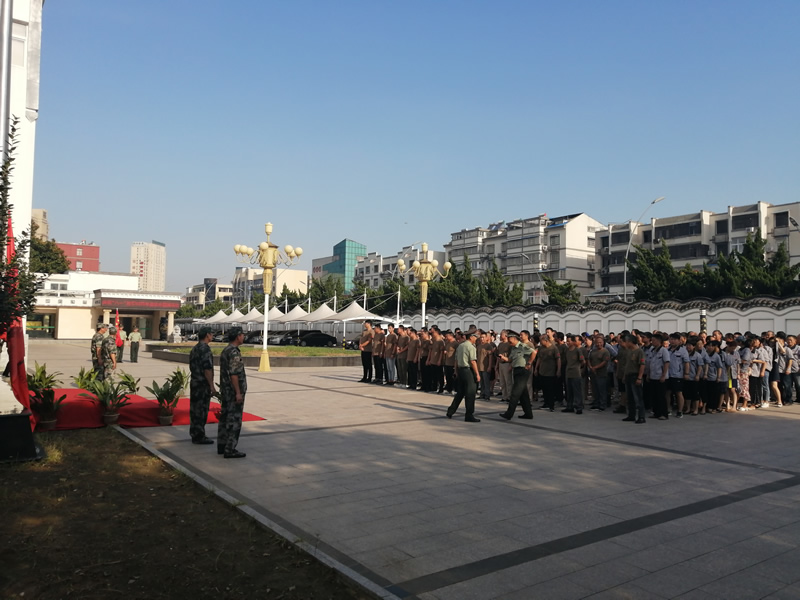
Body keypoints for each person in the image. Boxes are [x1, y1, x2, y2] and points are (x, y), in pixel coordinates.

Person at [218, 327, 247, 459]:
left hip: (226, 390)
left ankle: (222, 445)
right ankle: (230, 449)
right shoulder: (234, 352)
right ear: (237, 336)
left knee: (225, 417)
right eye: (242, 335)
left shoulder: (226, 350)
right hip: (233, 392)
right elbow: (234, 374)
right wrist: (238, 392)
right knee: (234, 419)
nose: (243, 337)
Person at [189, 327, 217, 445]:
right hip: (202, 385)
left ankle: (195, 433)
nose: (212, 336)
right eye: (211, 334)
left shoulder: (195, 348)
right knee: (201, 410)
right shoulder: (205, 349)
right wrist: (211, 386)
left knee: (195, 409)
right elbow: (207, 369)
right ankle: (199, 435)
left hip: (195, 382)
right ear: (207, 335)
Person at [498, 331, 534, 420]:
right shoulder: (513, 348)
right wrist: (503, 358)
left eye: (509, 339)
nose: (508, 342)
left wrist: (529, 363)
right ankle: (528, 414)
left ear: (514, 338)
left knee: (515, 393)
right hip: (516, 370)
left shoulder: (522, 346)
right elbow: (510, 359)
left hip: (523, 371)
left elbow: (534, 352)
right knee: (523, 395)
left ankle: (509, 414)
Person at [446, 331, 481, 422]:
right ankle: (469, 415)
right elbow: (473, 361)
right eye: (475, 337)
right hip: (468, 371)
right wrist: (477, 374)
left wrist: (456, 371)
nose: (476, 339)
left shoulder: (460, 346)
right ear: (471, 337)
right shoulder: (471, 347)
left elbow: (456, 360)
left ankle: (450, 411)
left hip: (461, 370)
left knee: (460, 393)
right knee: (470, 393)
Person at [621, 334, 647, 423]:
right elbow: (627, 365)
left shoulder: (639, 351)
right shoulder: (628, 351)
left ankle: (641, 416)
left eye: (626, 341)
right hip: (628, 375)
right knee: (630, 397)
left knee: (638, 397)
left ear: (630, 342)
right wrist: (624, 376)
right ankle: (631, 415)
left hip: (635, 376)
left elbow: (642, 365)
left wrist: (639, 377)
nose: (625, 343)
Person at [562, 335, 586, 414]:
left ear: (573, 341)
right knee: (569, 391)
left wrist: (579, 368)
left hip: (576, 373)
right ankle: (570, 406)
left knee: (577, 391)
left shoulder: (578, 350)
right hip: (568, 373)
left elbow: (583, 361)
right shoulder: (567, 351)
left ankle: (579, 407)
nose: (568, 343)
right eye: (567, 341)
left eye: (569, 341)